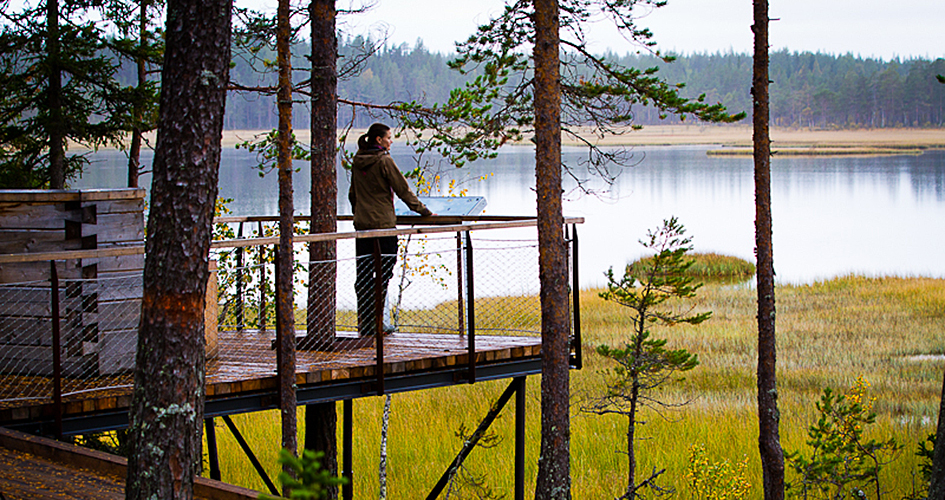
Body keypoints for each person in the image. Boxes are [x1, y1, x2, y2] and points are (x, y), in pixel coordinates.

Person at [349, 123, 432, 337]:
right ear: (378, 140)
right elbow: (403, 189)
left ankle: (366, 324)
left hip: (363, 227)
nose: (390, 141)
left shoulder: (357, 162)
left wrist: (359, 214)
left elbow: (353, 194)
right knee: (383, 274)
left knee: (364, 275)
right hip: (384, 227)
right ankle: (377, 324)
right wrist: (423, 211)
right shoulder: (384, 161)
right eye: (388, 137)